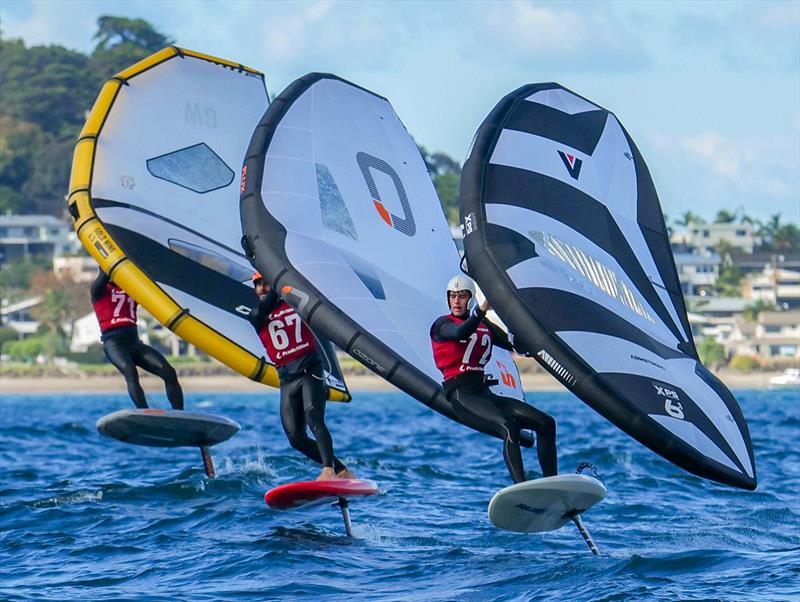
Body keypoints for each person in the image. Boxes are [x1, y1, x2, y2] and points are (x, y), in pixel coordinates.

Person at [430, 274, 557, 483]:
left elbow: (515, 344)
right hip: (461, 396)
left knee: (546, 423)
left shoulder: (484, 326)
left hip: (485, 394)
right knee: (508, 426)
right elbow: (461, 332)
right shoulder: (442, 325)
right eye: (453, 296)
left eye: (462, 296)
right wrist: (481, 310)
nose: (456, 301)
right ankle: (522, 487)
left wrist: (540, 334)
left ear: (470, 298)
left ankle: (553, 484)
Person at [249, 271, 354, 481]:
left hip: (310, 372)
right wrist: (275, 276)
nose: (261, 288)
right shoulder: (256, 315)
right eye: (257, 284)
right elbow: (269, 300)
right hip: (287, 380)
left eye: (265, 283)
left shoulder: (297, 304)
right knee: (296, 438)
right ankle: (342, 471)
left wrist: (283, 279)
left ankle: (328, 470)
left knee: (313, 416)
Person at [91, 269, 184, 410]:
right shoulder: (98, 291)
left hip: (135, 343)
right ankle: (144, 412)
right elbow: (104, 273)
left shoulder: (132, 290)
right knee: (130, 371)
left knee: (169, 372)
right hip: (114, 344)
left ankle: (180, 414)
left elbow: (154, 292)